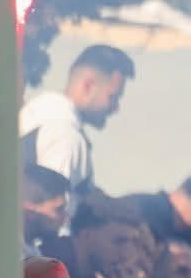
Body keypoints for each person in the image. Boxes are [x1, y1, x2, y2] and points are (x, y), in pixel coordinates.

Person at [18, 44, 135, 217]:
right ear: (88, 86)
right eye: (113, 97)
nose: (116, 108)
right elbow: (52, 220)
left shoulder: (33, 115)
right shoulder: (65, 136)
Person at [58, 193, 154, 278]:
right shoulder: (49, 271)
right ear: (86, 235)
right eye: (119, 241)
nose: (127, 254)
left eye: (133, 242)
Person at [22, 165, 71, 258]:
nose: (65, 218)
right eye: (58, 209)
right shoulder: (4, 253)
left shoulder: (34, 254)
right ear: (29, 207)